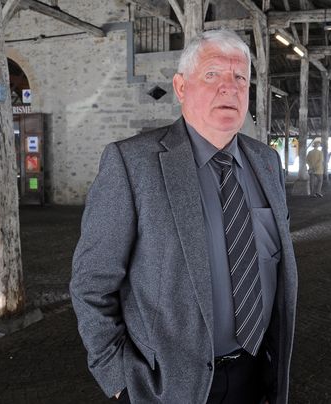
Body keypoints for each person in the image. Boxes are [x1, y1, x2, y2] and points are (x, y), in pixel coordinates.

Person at [70, 29, 298, 404]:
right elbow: (91, 284)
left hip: (255, 375)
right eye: (212, 75)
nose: (230, 87)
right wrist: (119, 380)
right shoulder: (132, 164)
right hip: (166, 387)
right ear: (180, 87)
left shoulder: (266, 163)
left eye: (240, 77)